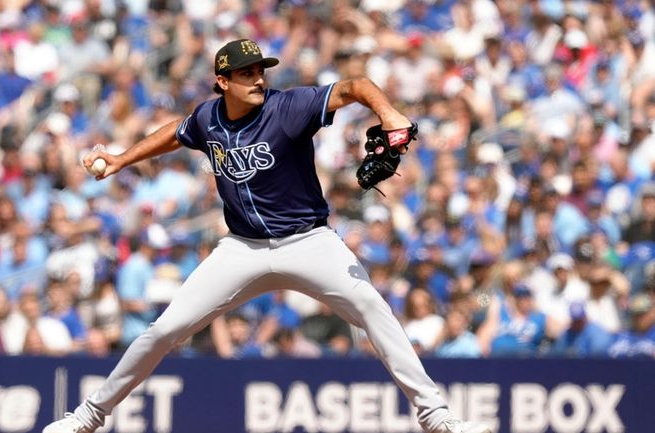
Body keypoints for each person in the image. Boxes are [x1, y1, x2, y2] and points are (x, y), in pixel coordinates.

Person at [45, 38, 491, 433]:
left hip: (308, 242)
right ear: (222, 81)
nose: (257, 79)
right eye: (245, 73)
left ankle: (436, 417)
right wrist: (123, 158)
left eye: (260, 70)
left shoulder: (288, 107)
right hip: (242, 248)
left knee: (373, 308)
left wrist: (389, 112)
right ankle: (86, 417)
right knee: (165, 329)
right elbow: (178, 133)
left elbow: (353, 86)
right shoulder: (208, 119)